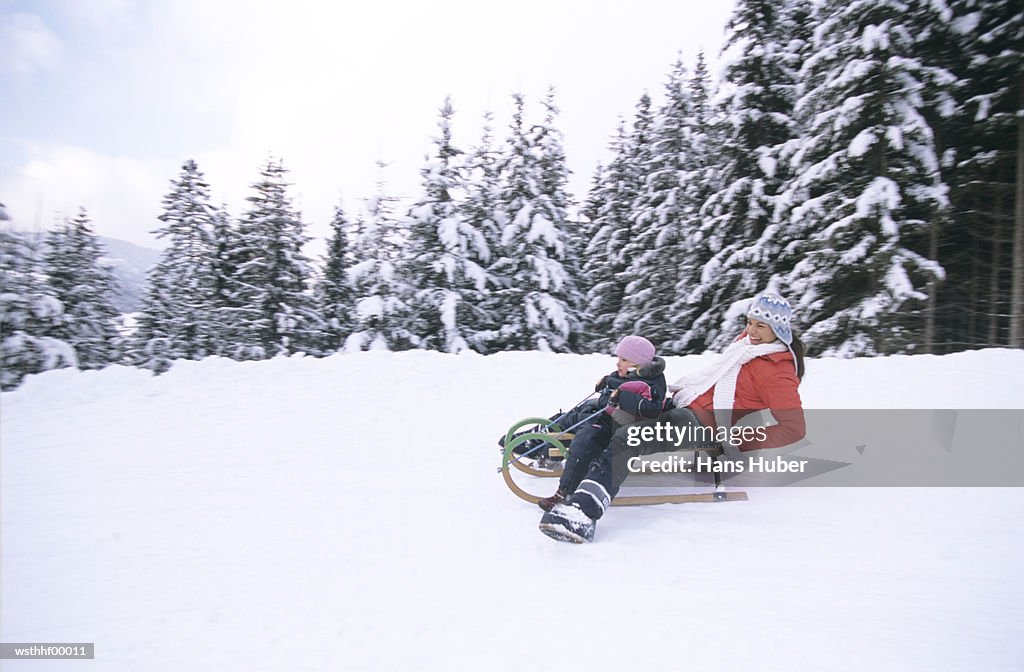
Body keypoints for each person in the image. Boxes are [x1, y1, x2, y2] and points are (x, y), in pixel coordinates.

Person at [538, 292, 807, 544]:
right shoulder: (746, 346)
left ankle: (583, 512)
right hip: (684, 403)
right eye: (749, 322)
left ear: (779, 329)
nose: (751, 331)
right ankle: (553, 446)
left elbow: (794, 428)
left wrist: (737, 441)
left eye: (761, 326)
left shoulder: (777, 373)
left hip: (703, 425)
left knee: (631, 437)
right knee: (613, 411)